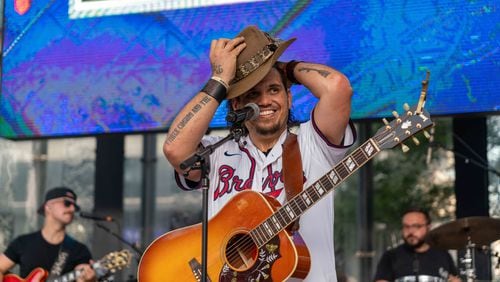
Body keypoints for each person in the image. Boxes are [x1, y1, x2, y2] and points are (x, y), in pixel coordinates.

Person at [163, 25, 355, 281]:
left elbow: (337, 87)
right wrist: (220, 79)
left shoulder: (314, 142)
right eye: (253, 93)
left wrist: (278, 66)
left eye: (274, 90)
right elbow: (175, 148)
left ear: (288, 96)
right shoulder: (217, 150)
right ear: (236, 104)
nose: (265, 101)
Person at [0, 187, 96, 282]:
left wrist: (88, 280)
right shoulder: (23, 242)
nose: (72, 209)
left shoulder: (79, 250)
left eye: (75, 206)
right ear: (48, 206)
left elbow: (84, 274)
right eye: (67, 203)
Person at [374, 207, 461, 282]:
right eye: (406, 226)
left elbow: (453, 278)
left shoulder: (443, 255)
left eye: (417, 226)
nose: (411, 231)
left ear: (428, 227)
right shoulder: (390, 256)